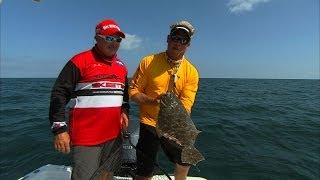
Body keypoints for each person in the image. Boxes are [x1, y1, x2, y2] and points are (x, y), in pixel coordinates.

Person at [49, 19, 130, 180]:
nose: (114, 43)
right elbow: (59, 93)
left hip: (114, 134)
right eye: (109, 38)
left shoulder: (122, 66)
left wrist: (124, 111)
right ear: (97, 38)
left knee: (109, 172)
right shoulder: (79, 61)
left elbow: (124, 96)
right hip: (87, 137)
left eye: (118, 39)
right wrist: (59, 129)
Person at [129, 20, 199, 180]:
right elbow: (133, 93)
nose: (178, 43)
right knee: (145, 169)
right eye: (175, 38)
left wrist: (176, 126)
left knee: (186, 158)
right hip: (149, 122)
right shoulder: (148, 62)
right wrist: (153, 101)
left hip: (174, 124)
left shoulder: (192, 72)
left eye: (183, 40)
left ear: (188, 45)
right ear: (168, 38)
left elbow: (187, 104)